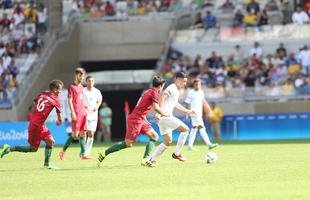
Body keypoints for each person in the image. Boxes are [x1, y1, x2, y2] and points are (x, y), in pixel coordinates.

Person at [96, 76, 169, 167]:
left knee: (154, 136)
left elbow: (140, 104)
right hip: (136, 119)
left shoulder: (148, 91)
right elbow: (156, 108)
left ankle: (145, 159)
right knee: (128, 143)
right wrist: (165, 114)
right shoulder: (154, 93)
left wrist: (144, 118)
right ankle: (103, 153)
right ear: (161, 85)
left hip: (140, 119)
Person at [0, 80, 64, 170]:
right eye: (60, 89)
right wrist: (59, 121)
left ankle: (46, 165)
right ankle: (10, 148)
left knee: (51, 141)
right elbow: (60, 117)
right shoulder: (55, 99)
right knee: (33, 149)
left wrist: (38, 114)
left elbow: (35, 103)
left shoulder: (42, 94)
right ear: (55, 89)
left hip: (38, 123)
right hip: (37, 125)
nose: (60, 92)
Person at [146, 72, 195, 167]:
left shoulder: (176, 90)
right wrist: (159, 113)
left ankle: (151, 160)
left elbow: (175, 104)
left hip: (162, 118)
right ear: (178, 79)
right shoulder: (171, 88)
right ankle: (176, 153)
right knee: (186, 130)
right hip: (165, 116)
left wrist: (187, 111)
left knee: (168, 141)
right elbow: (162, 98)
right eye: (184, 81)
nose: (185, 84)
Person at [59, 67, 88, 160]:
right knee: (75, 135)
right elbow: (70, 100)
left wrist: (85, 108)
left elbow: (81, 99)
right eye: (80, 75)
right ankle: (62, 152)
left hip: (83, 113)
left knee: (83, 133)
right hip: (76, 113)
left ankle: (83, 154)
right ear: (76, 75)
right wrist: (73, 113)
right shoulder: (71, 86)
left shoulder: (82, 87)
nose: (82, 78)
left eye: (83, 76)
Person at [185, 79, 218, 151]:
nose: (198, 86)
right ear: (194, 85)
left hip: (199, 113)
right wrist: (186, 113)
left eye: (199, 84)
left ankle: (190, 146)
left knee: (194, 128)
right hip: (193, 112)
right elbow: (187, 103)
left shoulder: (201, 92)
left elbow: (204, 102)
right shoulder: (190, 92)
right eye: (196, 84)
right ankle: (209, 144)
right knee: (202, 127)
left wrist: (209, 110)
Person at [83, 75, 102, 157]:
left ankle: (86, 153)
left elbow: (99, 100)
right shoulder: (83, 91)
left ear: (93, 82)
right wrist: (84, 105)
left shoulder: (97, 91)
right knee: (83, 133)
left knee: (91, 134)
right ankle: (82, 151)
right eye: (89, 81)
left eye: (92, 81)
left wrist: (97, 107)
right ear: (86, 82)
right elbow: (79, 100)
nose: (90, 82)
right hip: (84, 114)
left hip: (93, 115)